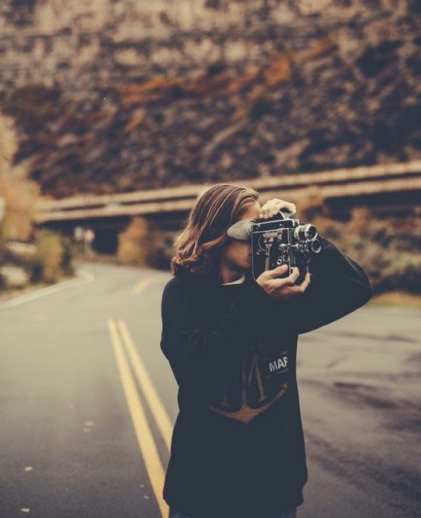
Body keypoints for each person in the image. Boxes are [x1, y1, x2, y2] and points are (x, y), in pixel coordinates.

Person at [160, 184, 373, 518]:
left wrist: (298, 231)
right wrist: (259, 301)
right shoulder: (184, 293)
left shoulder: (279, 288)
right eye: (249, 230)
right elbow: (195, 366)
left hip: (274, 483)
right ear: (216, 232)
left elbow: (355, 288)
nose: (259, 237)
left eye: (264, 228)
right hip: (203, 483)